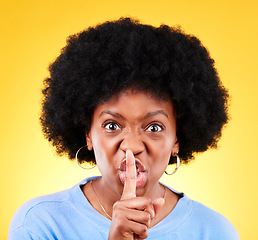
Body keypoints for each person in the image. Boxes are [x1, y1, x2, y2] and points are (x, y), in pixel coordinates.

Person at [8, 17, 239, 239]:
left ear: (176, 139)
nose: (131, 145)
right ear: (88, 133)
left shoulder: (214, 232)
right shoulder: (40, 225)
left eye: (154, 127)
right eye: (112, 125)